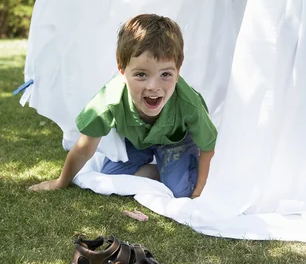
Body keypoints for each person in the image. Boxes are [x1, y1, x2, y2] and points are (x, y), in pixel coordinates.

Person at [29, 14, 217, 198]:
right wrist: (60, 182)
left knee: (180, 191)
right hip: (137, 142)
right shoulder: (109, 100)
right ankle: (165, 172)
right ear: (121, 69)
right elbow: (84, 147)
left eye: (165, 74)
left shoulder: (188, 103)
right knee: (111, 179)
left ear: (177, 72)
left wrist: (198, 193)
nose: (153, 86)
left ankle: (178, 171)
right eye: (141, 74)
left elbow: (208, 147)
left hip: (176, 141)